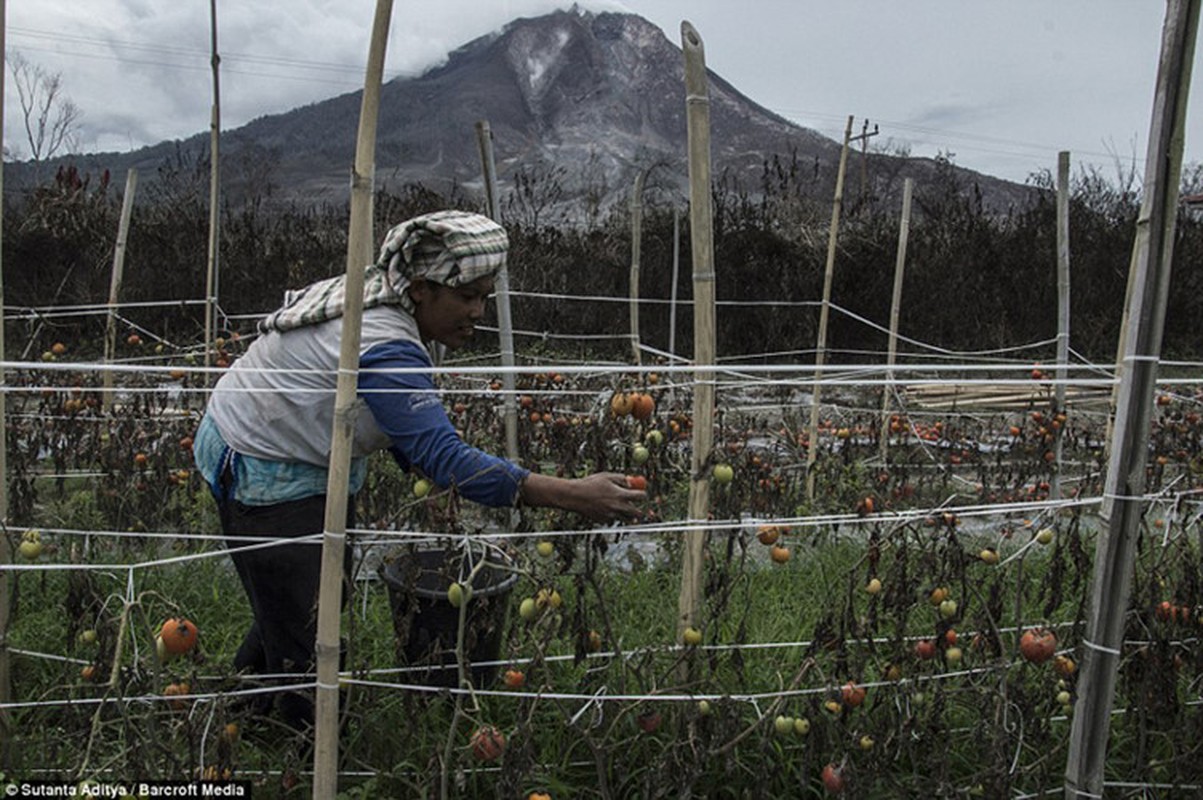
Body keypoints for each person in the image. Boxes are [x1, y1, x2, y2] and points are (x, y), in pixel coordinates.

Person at [193, 209, 644, 729]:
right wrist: (571, 493)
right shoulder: (384, 339)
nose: (477, 311)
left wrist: (420, 464)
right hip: (263, 467)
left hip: (297, 450)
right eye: (467, 296)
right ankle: (301, 748)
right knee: (311, 637)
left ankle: (244, 716)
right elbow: (445, 455)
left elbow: (401, 421)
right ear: (425, 288)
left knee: (305, 603)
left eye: (483, 296)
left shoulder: (395, 301)